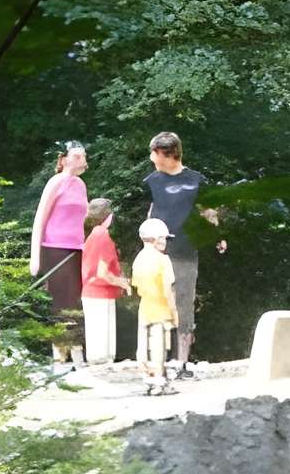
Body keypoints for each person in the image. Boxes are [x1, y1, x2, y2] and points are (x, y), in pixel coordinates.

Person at [142, 131, 224, 379]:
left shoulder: (196, 180)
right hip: (158, 254)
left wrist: (219, 235)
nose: (150, 157)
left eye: (152, 152)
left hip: (186, 250)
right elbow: (150, 214)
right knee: (158, 303)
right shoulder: (151, 181)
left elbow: (209, 211)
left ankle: (182, 362)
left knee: (184, 304)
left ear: (165, 154)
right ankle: (159, 360)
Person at [29, 141, 90, 366]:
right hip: (54, 248)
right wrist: (35, 257)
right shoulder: (56, 182)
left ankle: (72, 351)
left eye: (83, 156)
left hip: (77, 249)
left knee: (75, 301)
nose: (81, 160)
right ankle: (63, 353)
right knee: (62, 303)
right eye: (76, 156)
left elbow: (82, 218)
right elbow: (39, 219)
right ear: (63, 159)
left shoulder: (80, 185)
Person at [79, 198, 129, 365]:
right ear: (109, 216)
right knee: (102, 356)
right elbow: (103, 273)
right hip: (100, 294)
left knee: (97, 349)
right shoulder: (102, 236)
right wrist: (123, 283)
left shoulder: (93, 234)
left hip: (90, 292)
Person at [133, 217, 178, 396]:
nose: (165, 241)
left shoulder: (139, 260)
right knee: (159, 348)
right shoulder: (163, 260)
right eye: (164, 238)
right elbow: (168, 289)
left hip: (144, 308)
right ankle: (159, 382)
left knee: (143, 347)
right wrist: (175, 312)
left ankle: (148, 381)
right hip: (160, 309)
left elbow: (136, 285)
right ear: (157, 238)